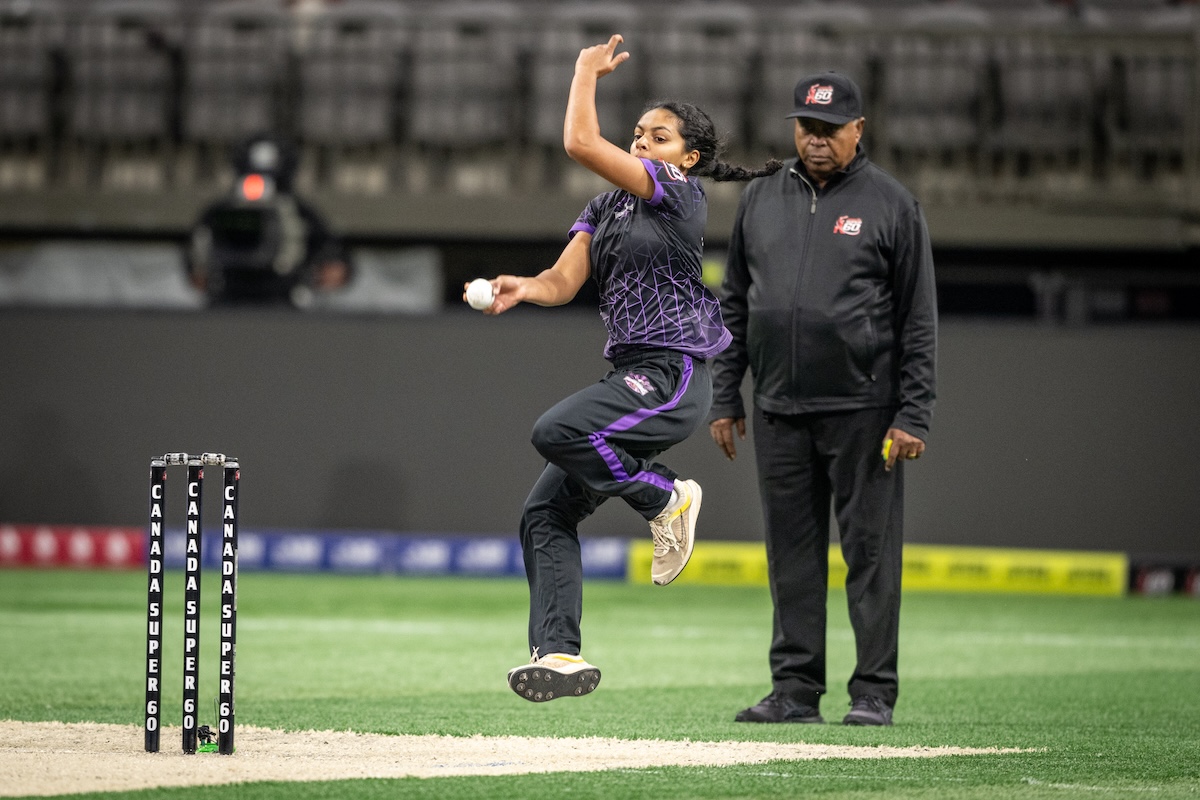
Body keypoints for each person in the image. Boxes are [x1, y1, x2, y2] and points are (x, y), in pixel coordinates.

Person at [468, 35, 782, 703]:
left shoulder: (679, 192)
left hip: (674, 375)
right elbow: (562, 280)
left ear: (687, 157)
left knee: (556, 430)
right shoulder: (605, 207)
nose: (642, 144)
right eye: (638, 135)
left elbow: (581, 142)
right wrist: (525, 287)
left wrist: (583, 70)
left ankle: (665, 498)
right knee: (543, 514)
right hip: (633, 378)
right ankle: (558, 652)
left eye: (658, 137)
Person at [708, 72, 937, 727]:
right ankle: (795, 691)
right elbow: (736, 302)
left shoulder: (893, 203)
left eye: (830, 130)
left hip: (865, 412)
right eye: (806, 129)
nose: (816, 141)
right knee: (791, 560)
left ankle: (872, 694)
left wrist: (913, 412)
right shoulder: (760, 199)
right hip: (778, 408)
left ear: (858, 130)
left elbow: (918, 318)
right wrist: (727, 396)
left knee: (870, 557)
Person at [186, 135, 351, 308]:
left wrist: (332, 266)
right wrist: (197, 269)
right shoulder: (219, 211)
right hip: (226, 298)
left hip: (284, 300)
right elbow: (195, 258)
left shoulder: (300, 213)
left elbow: (333, 254)